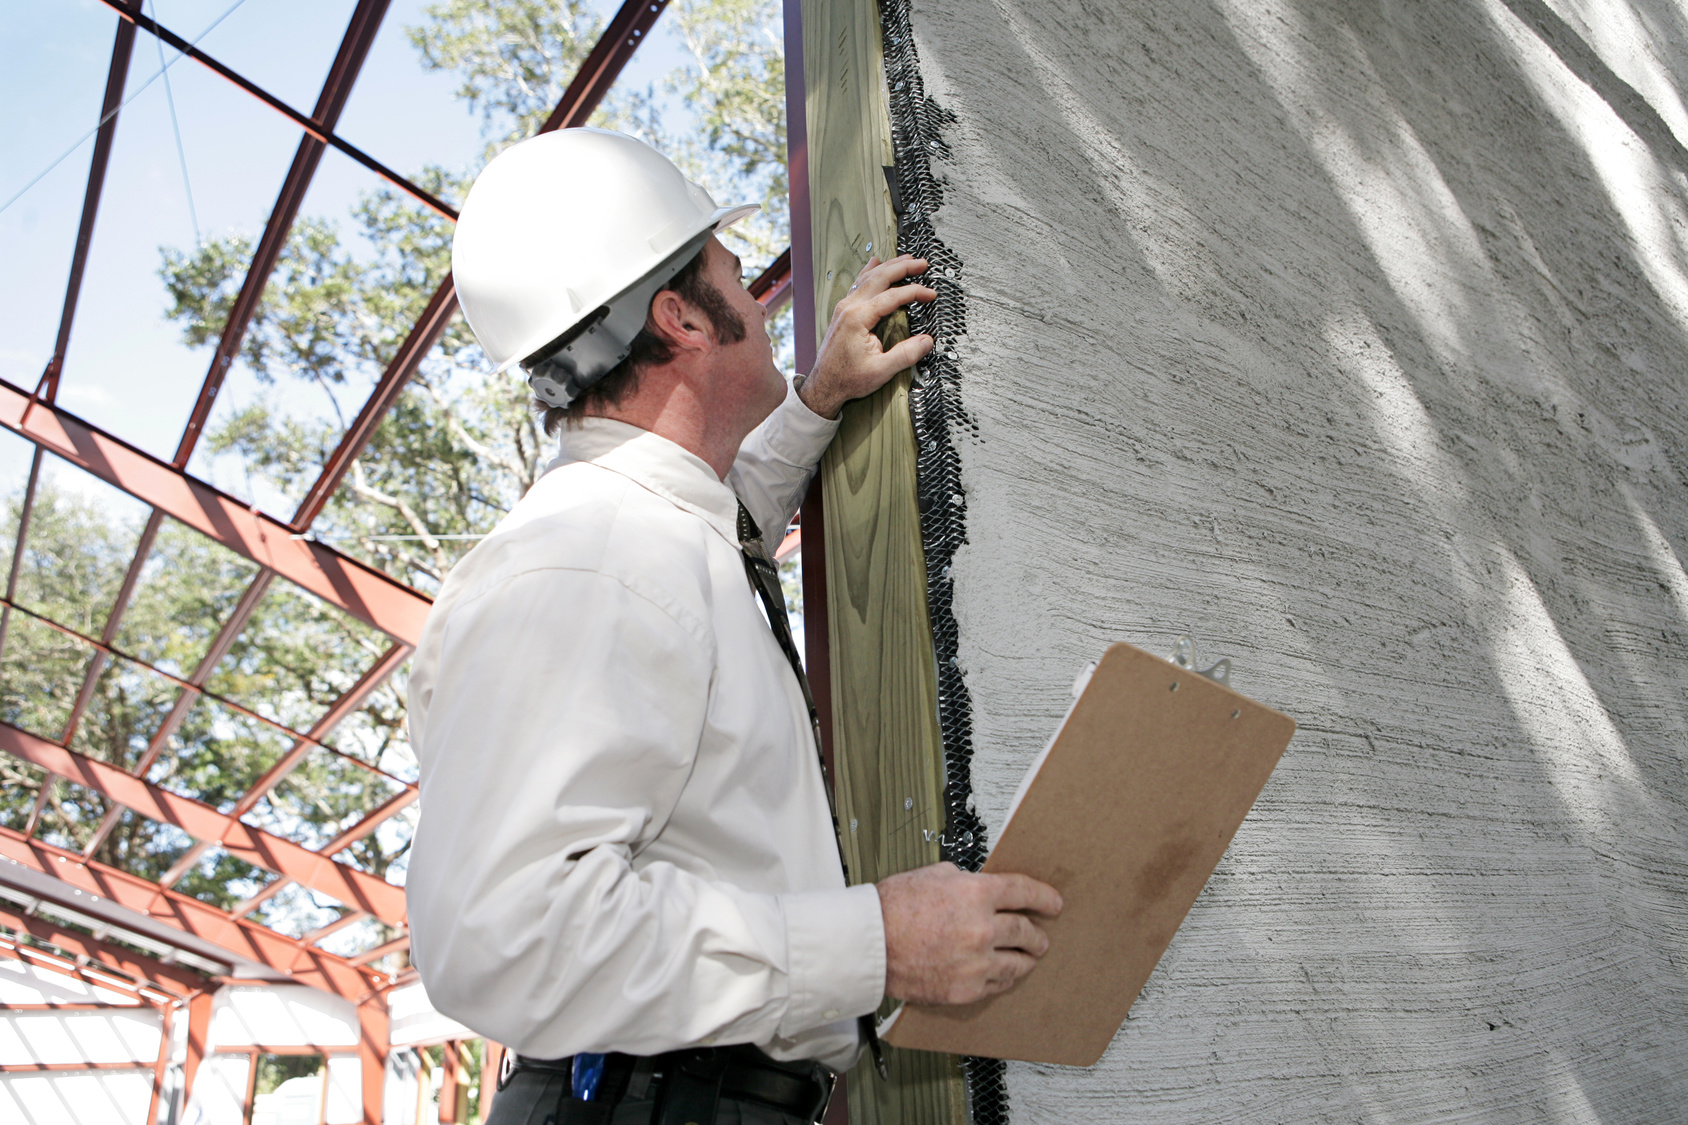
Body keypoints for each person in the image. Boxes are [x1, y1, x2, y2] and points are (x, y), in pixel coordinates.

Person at [406, 129, 1061, 1125]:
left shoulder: (642, 544)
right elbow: (506, 936)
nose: (761, 304)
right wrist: (877, 941)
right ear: (679, 317)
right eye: (735, 278)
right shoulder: (586, 561)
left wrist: (816, 402)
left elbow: (713, 546)